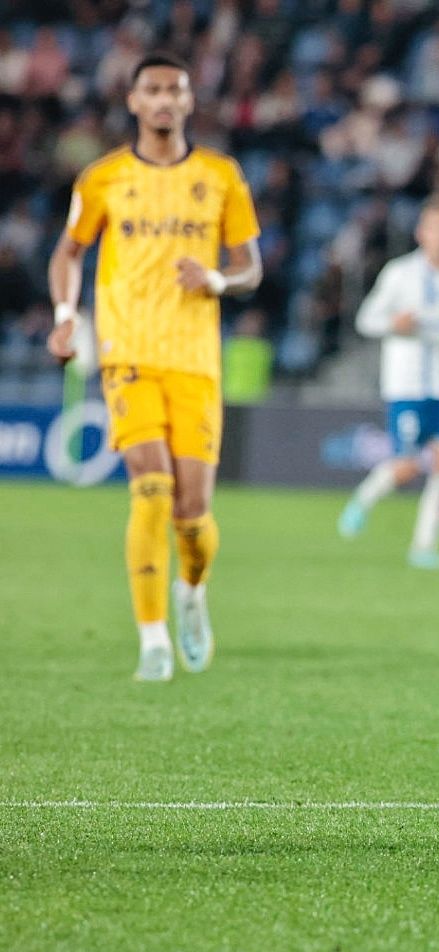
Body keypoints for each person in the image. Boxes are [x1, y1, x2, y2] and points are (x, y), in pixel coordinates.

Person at [45, 53, 262, 683]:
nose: (164, 100)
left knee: (192, 517)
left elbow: (252, 265)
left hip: (195, 363)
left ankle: (191, 593)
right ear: (134, 102)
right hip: (127, 357)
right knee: (151, 490)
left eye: (175, 89)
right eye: (153, 91)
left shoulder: (221, 175)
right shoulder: (103, 178)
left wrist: (218, 278)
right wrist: (65, 313)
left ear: (190, 100)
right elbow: (68, 252)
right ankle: (152, 640)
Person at [338, 193, 439, 569]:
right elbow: (366, 320)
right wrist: (393, 325)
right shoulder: (400, 274)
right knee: (408, 465)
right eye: (436, 227)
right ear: (421, 233)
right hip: (408, 386)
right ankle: (362, 501)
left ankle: (423, 547)